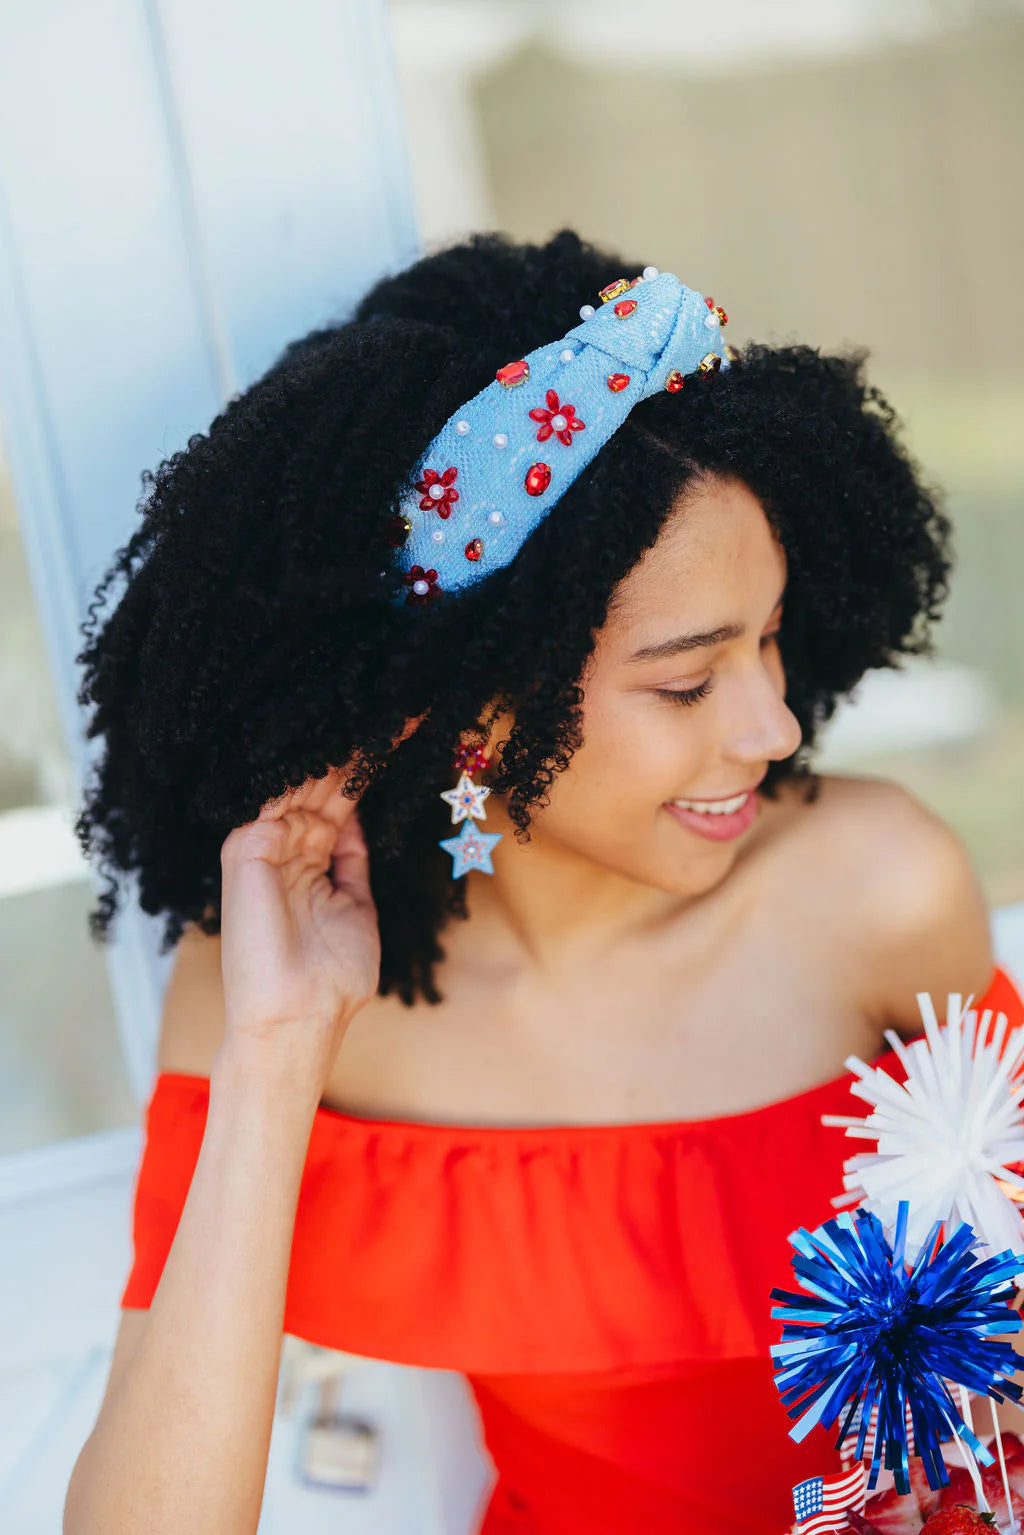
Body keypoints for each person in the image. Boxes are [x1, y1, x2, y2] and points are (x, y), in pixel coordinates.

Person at [63, 228, 1023, 1535]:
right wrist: (279, 1053)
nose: (774, 725)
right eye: (686, 682)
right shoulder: (273, 985)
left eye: (770, 640)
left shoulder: (876, 892)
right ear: (477, 711)